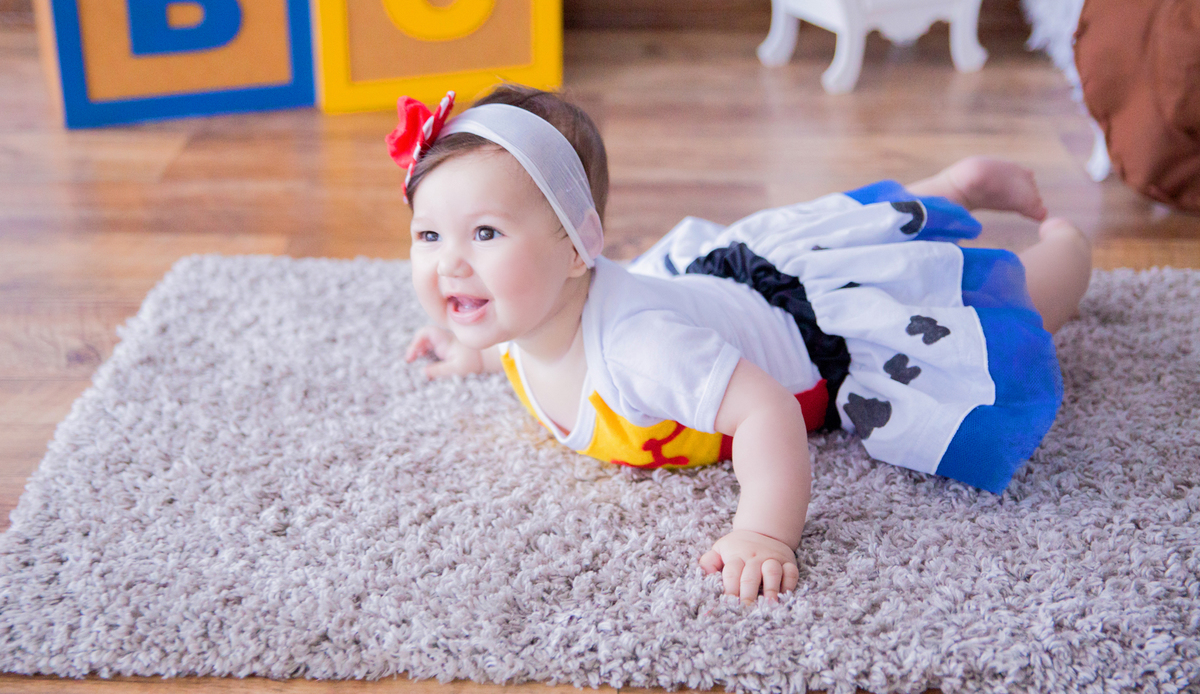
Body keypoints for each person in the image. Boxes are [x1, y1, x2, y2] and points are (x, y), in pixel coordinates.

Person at [393, 84, 1093, 605]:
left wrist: (764, 530)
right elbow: (509, 335)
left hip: (812, 334)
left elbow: (768, 411)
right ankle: (953, 186)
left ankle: (1066, 246)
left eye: (485, 233)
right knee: (874, 241)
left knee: (977, 314)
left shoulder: (642, 351)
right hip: (716, 287)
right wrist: (470, 348)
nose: (450, 262)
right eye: (429, 234)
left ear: (577, 249)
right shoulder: (523, 308)